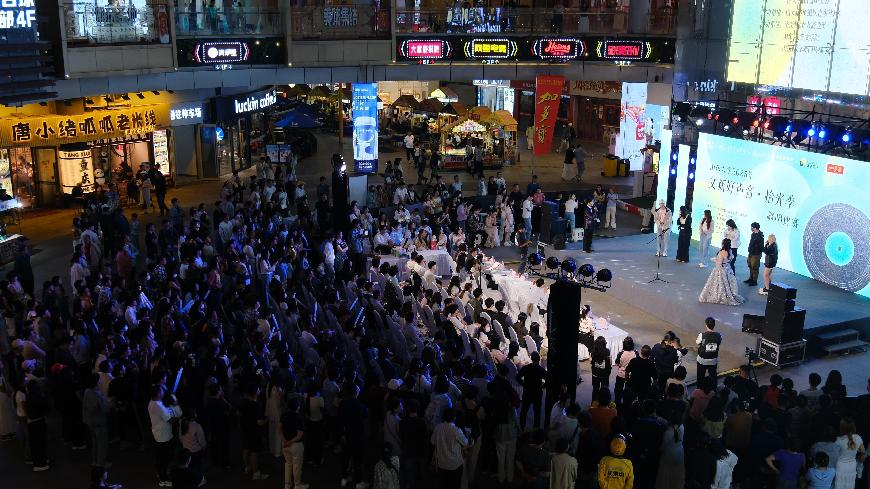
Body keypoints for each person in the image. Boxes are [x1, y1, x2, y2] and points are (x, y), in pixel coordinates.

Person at [699, 238, 745, 306]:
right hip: (728, 269)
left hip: (720, 271)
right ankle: (727, 294)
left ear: (723, 244)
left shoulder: (721, 252)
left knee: (719, 284)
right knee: (727, 284)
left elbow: (719, 264)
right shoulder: (730, 251)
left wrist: (714, 260)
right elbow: (730, 259)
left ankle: (720, 295)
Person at [431, 408, 468, 489]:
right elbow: (465, 442)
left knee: (443, 485)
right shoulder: (456, 430)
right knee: (454, 485)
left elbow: (433, 442)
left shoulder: (437, 427)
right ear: (454, 418)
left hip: (441, 464)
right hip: (455, 464)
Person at [280, 397, 307, 489]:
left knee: (288, 463)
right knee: (297, 466)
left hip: (285, 444)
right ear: (297, 407)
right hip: (296, 445)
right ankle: (297, 485)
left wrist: (284, 440)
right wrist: (290, 442)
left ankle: (287, 484)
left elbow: (279, 428)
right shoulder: (299, 417)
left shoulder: (283, 415)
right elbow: (299, 435)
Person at [517, 351, 546, 429]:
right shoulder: (541, 369)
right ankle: (536, 428)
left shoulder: (526, 368)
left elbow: (518, 377)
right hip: (537, 393)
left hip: (527, 392)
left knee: (524, 411)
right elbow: (549, 379)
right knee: (537, 412)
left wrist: (523, 385)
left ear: (531, 359)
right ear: (539, 359)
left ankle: (522, 427)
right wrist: (542, 386)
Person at [834, 418, 864, 489]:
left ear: (842, 428)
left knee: (839, 485)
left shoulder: (838, 440)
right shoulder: (858, 437)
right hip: (852, 466)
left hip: (840, 466)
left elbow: (834, 455)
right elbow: (862, 451)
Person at [696, 317, 722, 385]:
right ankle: (713, 389)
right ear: (714, 325)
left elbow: (697, 342)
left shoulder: (702, 335)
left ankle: (699, 388)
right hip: (713, 360)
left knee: (700, 377)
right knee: (713, 377)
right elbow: (719, 343)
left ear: (706, 325)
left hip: (702, 360)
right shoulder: (719, 335)